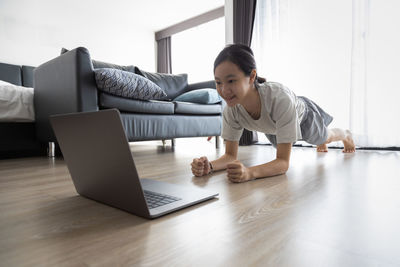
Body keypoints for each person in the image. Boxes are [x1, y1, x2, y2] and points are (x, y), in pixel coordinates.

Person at [191, 44, 355, 183]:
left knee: (325, 137)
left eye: (231, 81)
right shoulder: (231, 110)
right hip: (273, 127)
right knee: (300, 141)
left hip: (303, 118)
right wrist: (209, 166)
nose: (224, 90)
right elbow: (229, 156)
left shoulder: (279, 99)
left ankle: (346, 135)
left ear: (252, 76)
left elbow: (283, 163)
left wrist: (249, 173)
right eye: (218, 82)